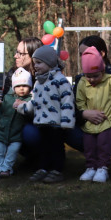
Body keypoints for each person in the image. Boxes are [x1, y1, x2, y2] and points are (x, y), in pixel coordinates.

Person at [19, 46, 74, 184]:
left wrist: (66, 121)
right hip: (41, 122)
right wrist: (22, 107)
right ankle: (43, 168)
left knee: (56, 147)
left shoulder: (60, 80)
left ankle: (57, 170)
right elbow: (34, 101)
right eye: (34, 63)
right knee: (43, 147)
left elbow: (67, 100)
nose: (35, 66)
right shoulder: (38, 82)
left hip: (56, 123)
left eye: (39, 63)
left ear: (50, 63)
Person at [74, 47, 111, 183]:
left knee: (104, 145)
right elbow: (80, 100)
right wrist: (84, 112)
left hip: (107, 120)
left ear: (102, 71)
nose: (92, 79)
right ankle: (90, 167)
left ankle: (103, 167)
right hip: (90, 122)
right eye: (88, 76)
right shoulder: (82, 83)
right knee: (89, 145)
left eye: (96, 76)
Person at [0, 68, 32, 177]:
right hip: (3, 131)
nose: (21, 88)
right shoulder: (7, 98)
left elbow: (31, 114)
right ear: (13, 87)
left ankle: (6, 169)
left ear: (30, 87)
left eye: (25, 85)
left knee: (12, 152)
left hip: (17, 134)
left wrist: (24, 106)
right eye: (18, 86)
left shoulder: (30, 100)